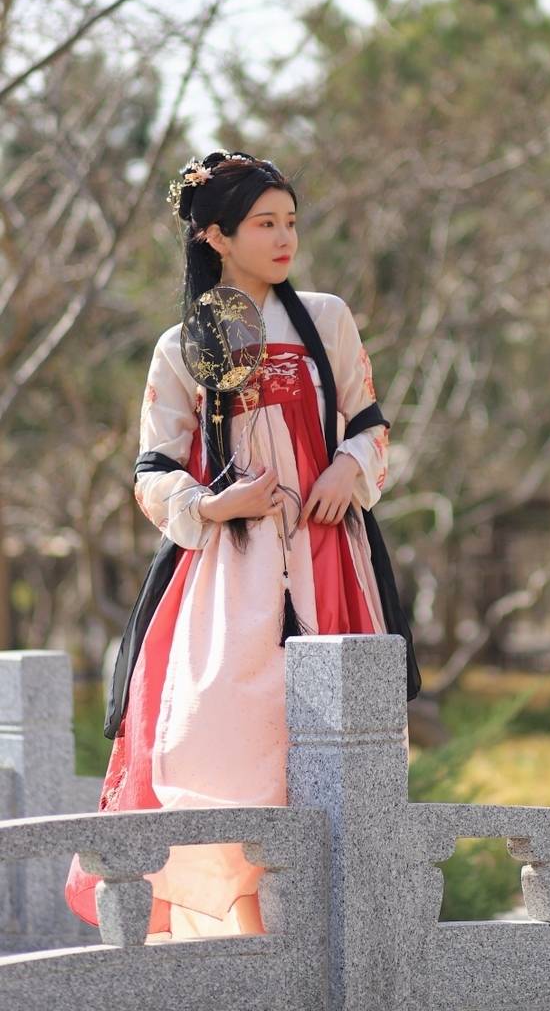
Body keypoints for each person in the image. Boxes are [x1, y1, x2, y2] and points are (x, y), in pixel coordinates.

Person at [64, 151, 421, 941]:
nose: (285, 237)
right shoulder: (179, 347)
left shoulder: (325, 318)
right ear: (216, 236)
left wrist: (348, 467)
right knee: (221, 742)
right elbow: (153, 468)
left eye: (290, 221)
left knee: (331, 743)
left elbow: (368, 421)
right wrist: (214, 504)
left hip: (327, 556)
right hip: (229, 572)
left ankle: (334, 932)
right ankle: (247, 931)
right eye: (265, 224)